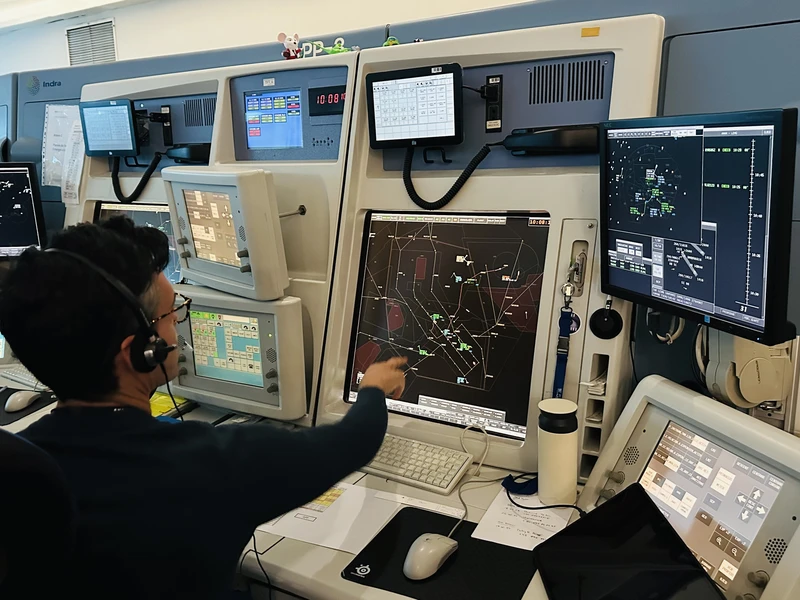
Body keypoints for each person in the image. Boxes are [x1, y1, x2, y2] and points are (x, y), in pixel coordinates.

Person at [0, 216, 406, 600]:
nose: (176, 326)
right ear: (141, 351)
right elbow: (354, 440)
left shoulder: (20, 464)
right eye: (170, 313)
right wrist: (373, 389)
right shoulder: (212, 465)